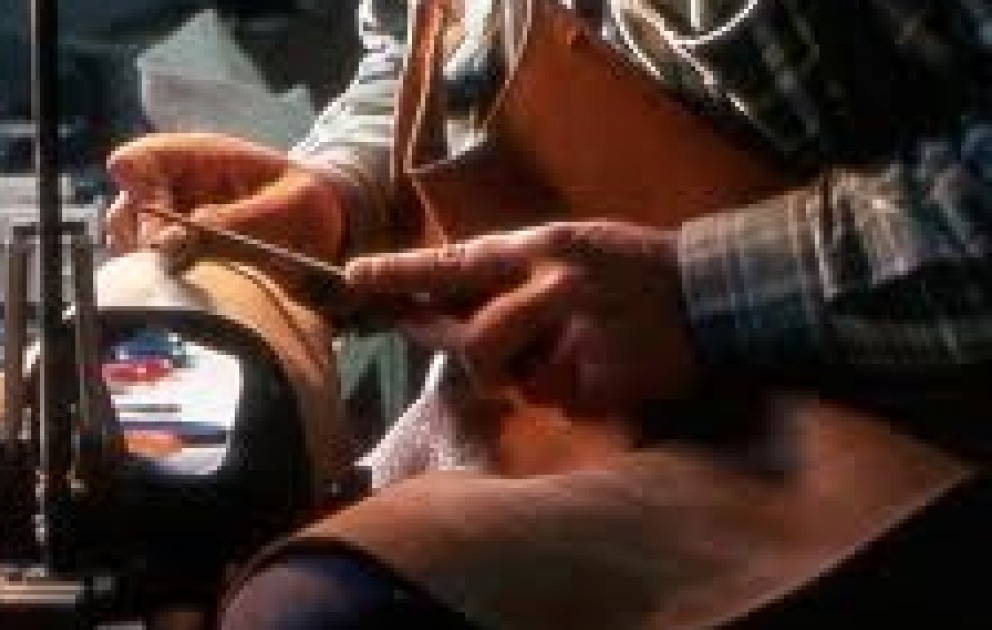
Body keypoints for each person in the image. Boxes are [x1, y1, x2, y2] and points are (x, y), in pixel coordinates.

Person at [105, 1, 992, 627]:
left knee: (320, 612)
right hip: (565, 427)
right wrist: (341, 196)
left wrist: (699, 291)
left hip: (897, 430)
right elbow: (426, 48)